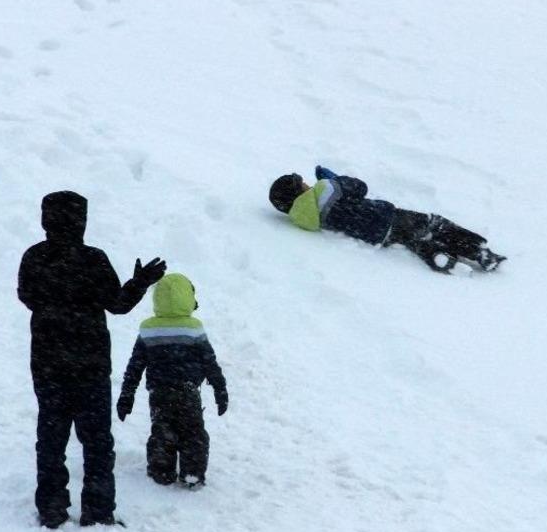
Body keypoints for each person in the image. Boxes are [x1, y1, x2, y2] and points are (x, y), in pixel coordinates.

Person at [18, 190, 166, 528]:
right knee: (98, 443)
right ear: (82, 222)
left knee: (51, 440)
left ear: (45, 220)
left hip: (48, 366)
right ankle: (98, 512)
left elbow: (26, 296)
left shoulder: (34, 258)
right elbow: (117, 304)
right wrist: (140, 283)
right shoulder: (93, 260)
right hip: (91, 367)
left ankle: (52, 509)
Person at [268, 166, 506, 273]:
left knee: (412, 240)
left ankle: (436, 256)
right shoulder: (325, 189)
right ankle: (480, 252)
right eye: (301, 182)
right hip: (384, 215)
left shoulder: (305, 219)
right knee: (434, 224)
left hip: (373, 235)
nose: (307, 183)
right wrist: (335, 179)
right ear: (300, 189)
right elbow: (361, 187)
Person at [116, 273, 228, 489]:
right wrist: (220, 390)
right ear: (188, 298)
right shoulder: (193, 328)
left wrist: (126, 395)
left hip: (159, 392)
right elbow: (209, 362)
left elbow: (135, 365)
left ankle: (161, 471)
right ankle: (192, 473)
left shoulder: (149, 329)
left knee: (162, 430)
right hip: (188, 391)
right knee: (193, 432)